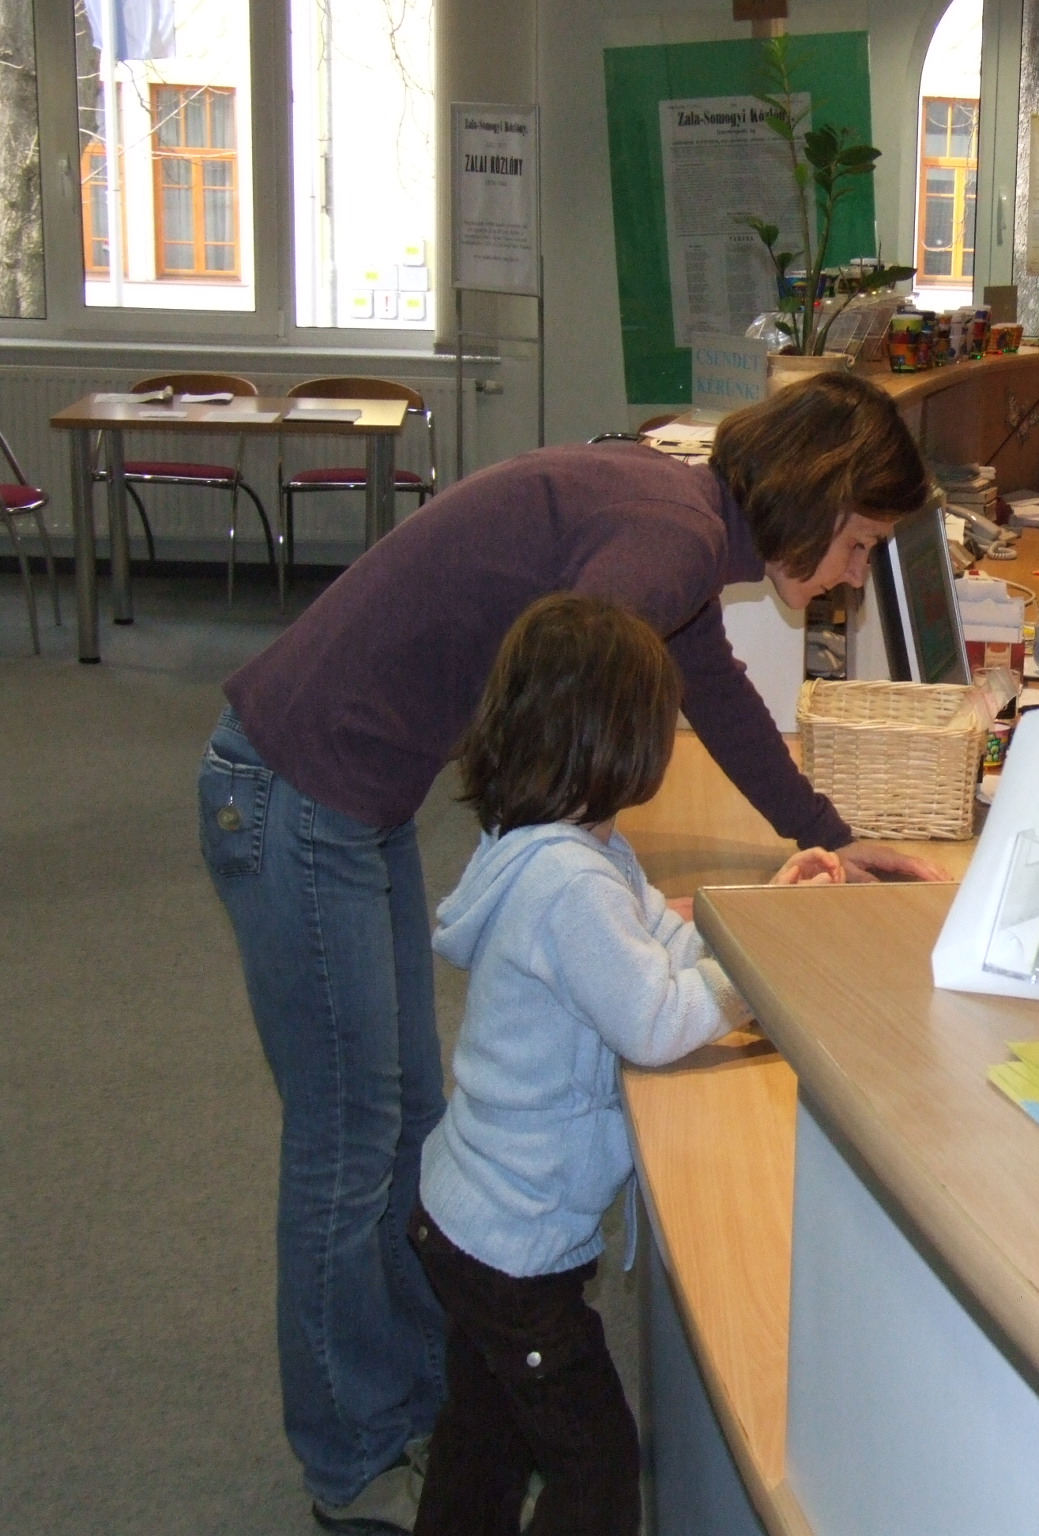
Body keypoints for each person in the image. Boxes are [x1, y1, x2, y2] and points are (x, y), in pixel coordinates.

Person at [197, 373, 946, 1530]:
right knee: (352, 1142)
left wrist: (828, 837)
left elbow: (706, 685)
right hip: (298, 785)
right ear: (816, 495)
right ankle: (352, 1460)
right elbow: (563, 704)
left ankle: (416, 1405)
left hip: (345, 789)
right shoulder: (668, 541)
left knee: (403, 1118)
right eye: (857, 544)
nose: (852, 575)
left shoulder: (686, 526)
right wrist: (594, 906)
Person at [408, 593, 840, 1536]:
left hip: (474, 1221)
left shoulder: (571, 846)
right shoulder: (568, 884)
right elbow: (655, 1018)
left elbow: (663, 944)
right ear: (617, 742)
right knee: (596, 1467)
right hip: (513, 1247)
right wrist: (754, 972)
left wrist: (758, 916)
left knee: (484, 1443)